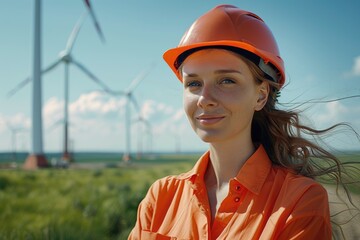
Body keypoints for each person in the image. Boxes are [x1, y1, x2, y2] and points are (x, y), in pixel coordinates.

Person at [128, 4, 358, 239]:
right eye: (194, 84)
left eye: (226, 80)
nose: (204, 99)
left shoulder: (300, 200)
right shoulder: (161, 197)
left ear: (261, 95)